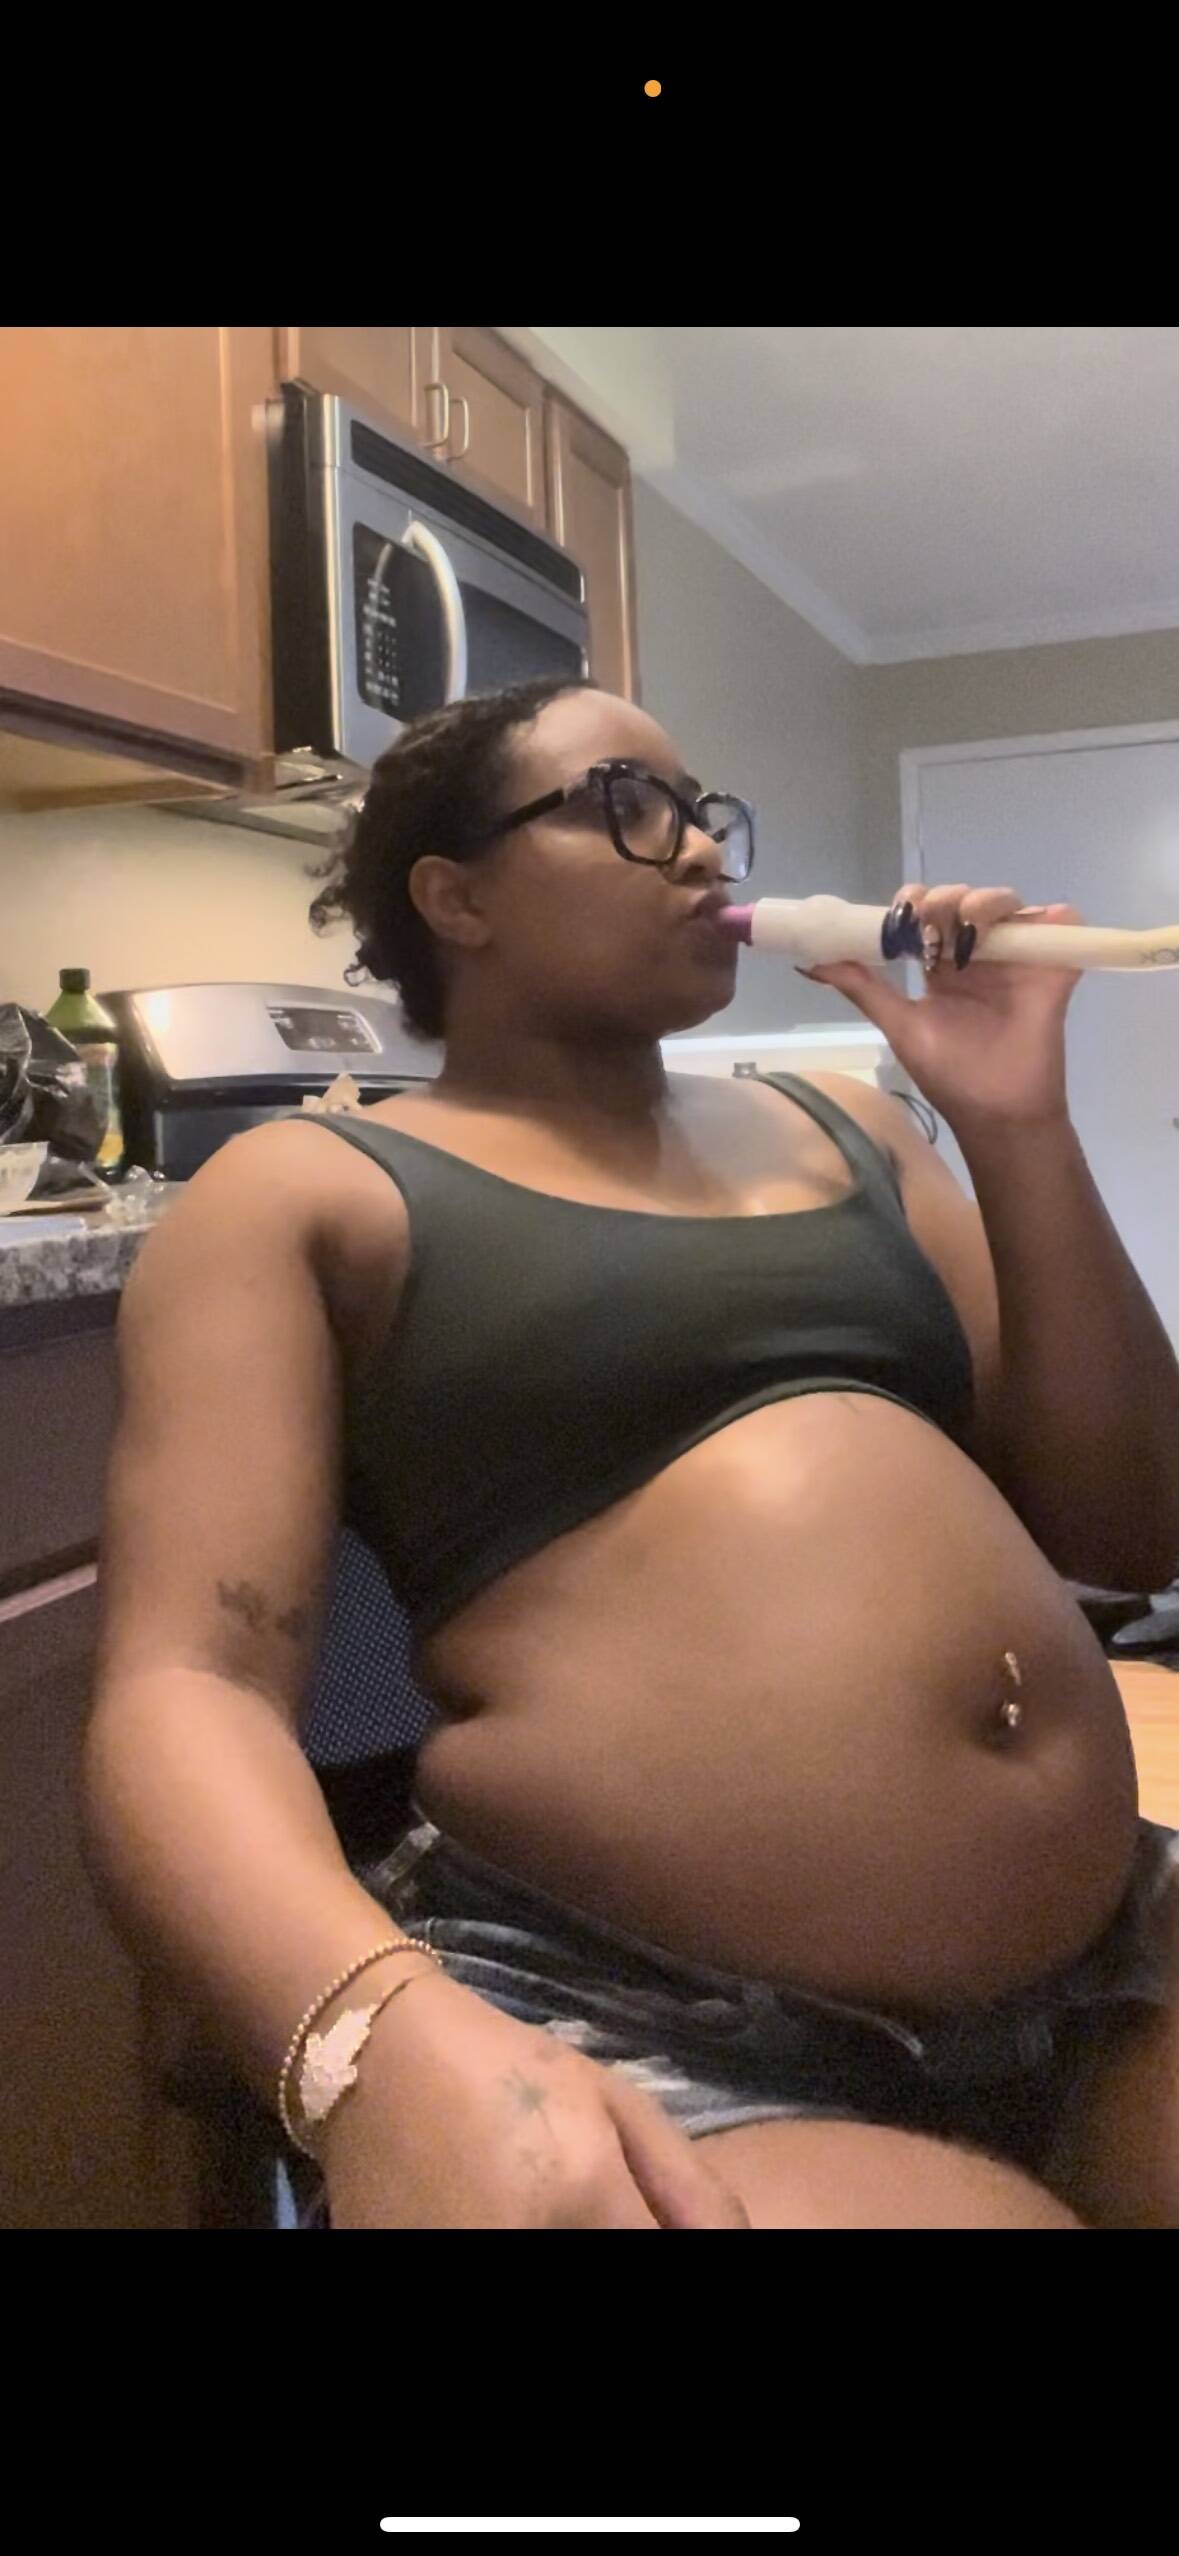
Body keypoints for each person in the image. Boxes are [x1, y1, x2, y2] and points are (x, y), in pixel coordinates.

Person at [84, 678, 1179, 2229]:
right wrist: (374, 2049)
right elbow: (187, 1689)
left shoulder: (859, 1128)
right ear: (456, 898)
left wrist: (1016, 1129)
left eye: (703, 812)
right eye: (628, 807)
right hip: (650, 2022)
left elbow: (1133, 1531)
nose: (703, 852)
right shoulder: (309, 1189)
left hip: (1114, 1951)